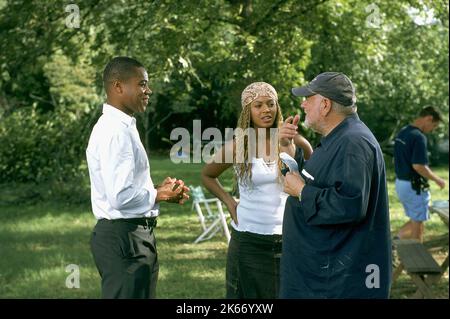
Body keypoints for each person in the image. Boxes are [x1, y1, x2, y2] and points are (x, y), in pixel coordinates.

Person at [279, 72, 392, 298]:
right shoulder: (339, 137)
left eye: (308, 98)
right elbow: (319, 180)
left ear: (325, 104)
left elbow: (349, 204)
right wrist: (287, 147)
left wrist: (301, 191)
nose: (303, 103)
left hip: (337, 284)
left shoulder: (353, 143)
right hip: (321, 276)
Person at [86, 56, 189, 299]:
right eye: (142, 84)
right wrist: (159, 194)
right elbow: (120, 196)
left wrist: (156, 189)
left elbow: (123, 186)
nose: (148, 90)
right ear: (118, 87)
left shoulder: (122, 126)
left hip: (133, 238)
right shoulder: (115, 131)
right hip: (125, 240)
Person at [201, 82, 312, 298]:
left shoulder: (292, 139)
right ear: (247, 112)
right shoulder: (238, 146)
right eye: (258, 105)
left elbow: (313, 174)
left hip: (288, 238)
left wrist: (291, 146)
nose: (266, 110)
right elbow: (207, 175)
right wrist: (230, 202)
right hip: (248, 241)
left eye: (270, 104)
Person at [394, 106, 445, 243]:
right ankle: (416, 260)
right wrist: (438, 179)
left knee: (416, 219)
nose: (432, 130)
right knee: (418, 226)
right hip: (414, 187)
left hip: (401, 183)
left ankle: (395, 240)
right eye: (434, 125)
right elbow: (419, 166)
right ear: (428, 118)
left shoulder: (403, 132)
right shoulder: (418, 137)